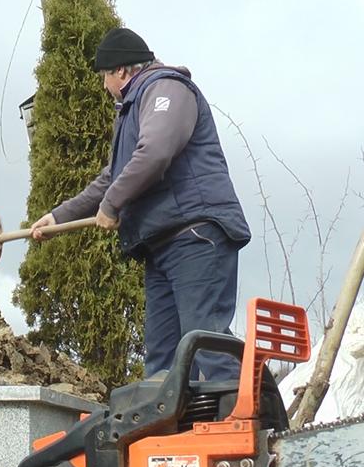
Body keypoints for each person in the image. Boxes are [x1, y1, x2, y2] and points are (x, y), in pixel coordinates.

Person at [29, 28, 250, 381]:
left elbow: (156, 153)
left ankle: (237, 429)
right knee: (163, 363)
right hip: (161, 243)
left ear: (120, 71)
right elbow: (111, 178)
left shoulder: (166, 89)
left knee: (206, 346)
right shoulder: (133, 109)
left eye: (104, 76)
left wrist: (113, 205)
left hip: (195, 235)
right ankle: (174, 435)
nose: (104, 86)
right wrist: (57, 217)